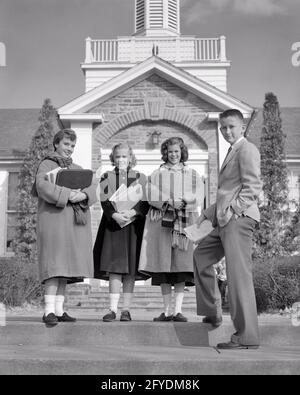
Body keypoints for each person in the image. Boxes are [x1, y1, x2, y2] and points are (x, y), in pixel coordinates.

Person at [193, 109, 262, 349]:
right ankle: (213, 311)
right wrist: (206, 214)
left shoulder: (247, 149)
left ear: (242, 127)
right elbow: (228, 191)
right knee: (200, 256)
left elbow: (252, 187)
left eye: (231, 126)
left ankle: (247, 336)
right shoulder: (231, 152)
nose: (226, 131)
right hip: (224, 221)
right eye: (223, 128)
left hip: (239, 220)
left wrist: (232, 210)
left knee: (238, 275)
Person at [34, 128, 97, 326]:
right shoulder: (46, 164)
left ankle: (60, 310)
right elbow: (42, 186)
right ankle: (48, 311)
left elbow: (93, 186)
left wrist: (84, 195)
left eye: (72, 145)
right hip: (53, 221)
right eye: (66, 144)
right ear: (56, 144)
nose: (69, 148)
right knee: (55, 265)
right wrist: (67, 194)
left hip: (72, 224)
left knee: (65, 268)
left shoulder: (77, 167)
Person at [139, 137, 204, 322]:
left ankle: (177, 310)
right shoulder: (157, 173)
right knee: (164, 266)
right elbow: (149, 192)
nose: (173, 155)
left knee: (181, 265)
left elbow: (199, 193)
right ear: (165, 153)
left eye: (176, 151)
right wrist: (168, 201)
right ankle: (166, 311)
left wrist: (184, 200)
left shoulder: (192, 173)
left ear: (182, 151)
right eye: (170, 151)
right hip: (162, 221)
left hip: (184, 221)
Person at [93, 143, 149, 322]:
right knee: (115, 268)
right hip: (114, 225)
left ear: (131, 157)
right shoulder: (106, 176)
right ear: (113, 158)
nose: (121, 160)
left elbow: (146, 201)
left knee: (130, 269)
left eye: (124, 156)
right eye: (117, 156)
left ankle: (126, 309)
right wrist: (114, 214)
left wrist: (134, 212)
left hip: (133, 226)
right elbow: (104, 200)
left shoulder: (141, 177)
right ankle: (112, 309)